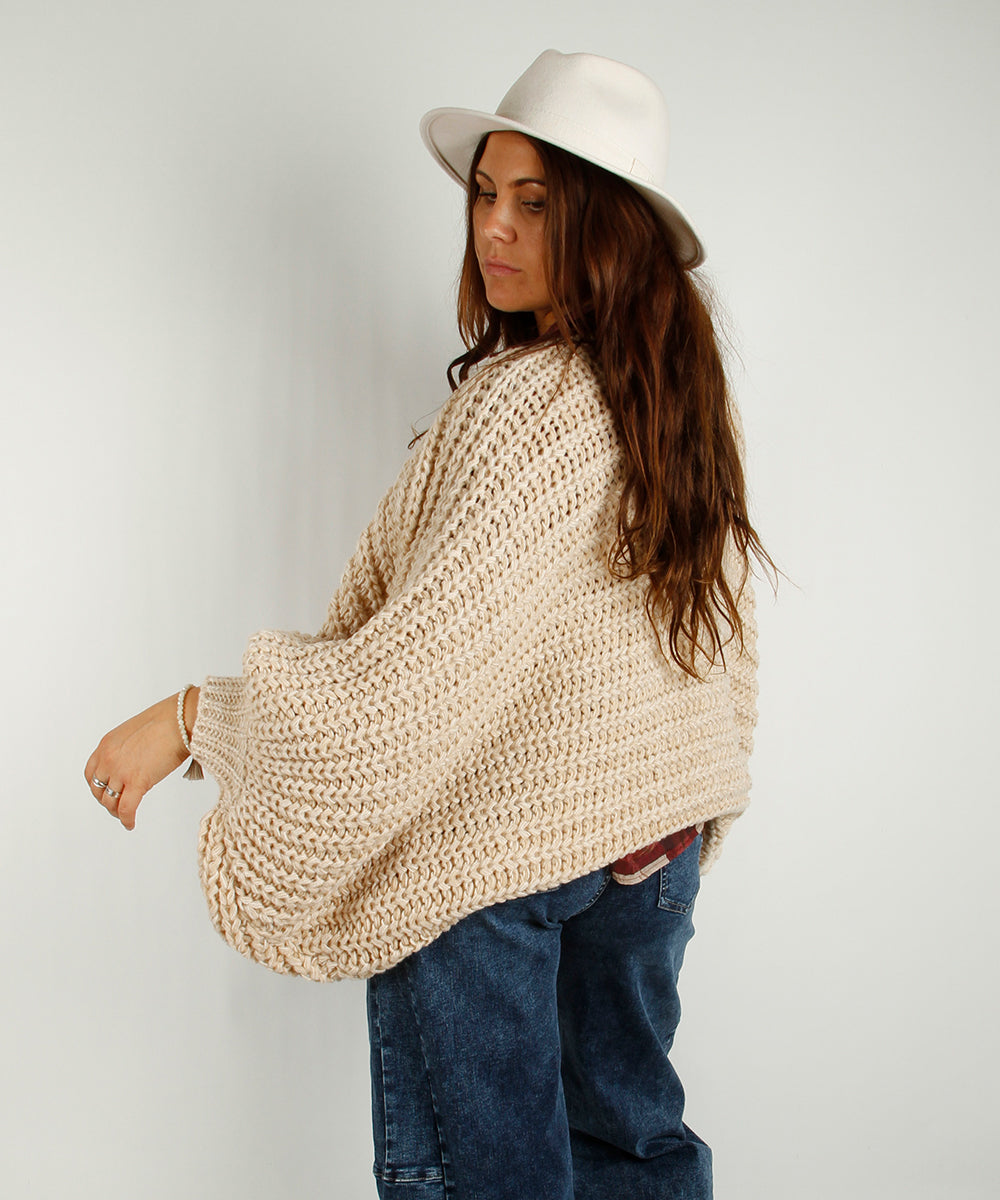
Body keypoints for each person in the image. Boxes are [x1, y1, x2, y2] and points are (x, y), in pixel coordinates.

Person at [86, 49, 772, 1200]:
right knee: (633, 1153)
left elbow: (404, 688)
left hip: (497, 862)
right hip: (651, 852)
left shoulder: (525, 403)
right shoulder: (678, 406)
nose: (493, 226)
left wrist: (197, 718)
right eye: (485, 193)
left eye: (535, 202)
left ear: (605, 224)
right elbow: (710, 658)